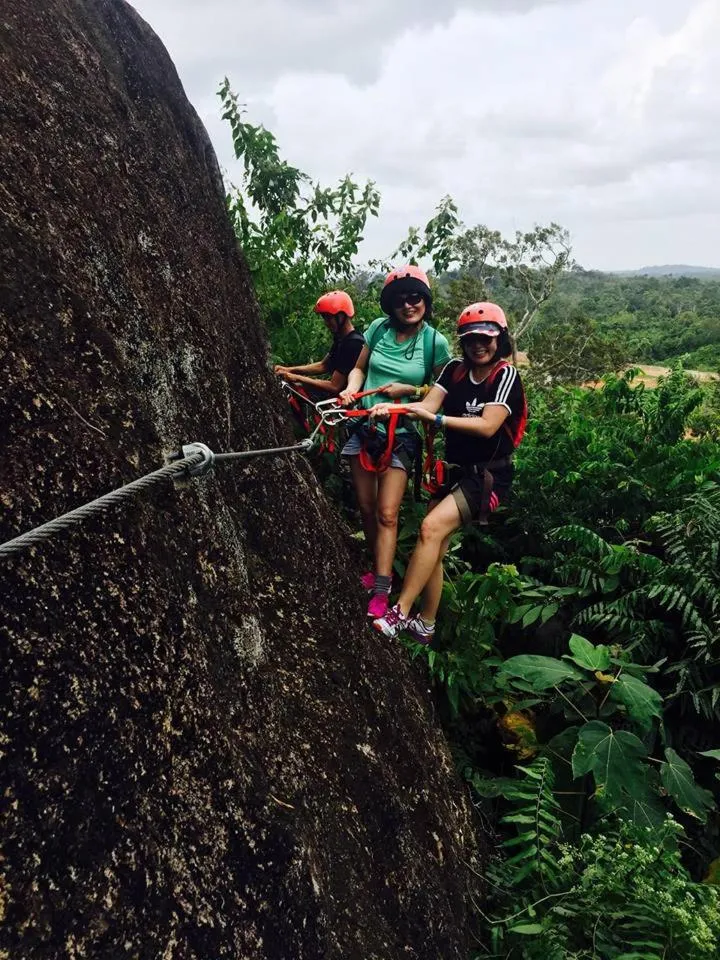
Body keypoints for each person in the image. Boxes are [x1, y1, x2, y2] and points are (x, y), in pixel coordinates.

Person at [369, 301, 527, 644]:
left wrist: (436, 420)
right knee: (435, 546)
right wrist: (394, 409)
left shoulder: (505, 375)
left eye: (486, 337)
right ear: (463, 343)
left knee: (429, 528)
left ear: (500, 338)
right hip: (454, 472)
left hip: (488, 477)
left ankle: (400, 612)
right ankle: (426, 624)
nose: (478, 345)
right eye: (471, 339)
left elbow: (488, 426)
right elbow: (427, 406)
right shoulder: (454, 371)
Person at [338, 266, 452, 619]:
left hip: (401, 436)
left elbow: (444, 391)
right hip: (364, 429)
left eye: (415, 297)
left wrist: (411, 392)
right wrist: (352, 389)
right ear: (391, 304)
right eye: (401, 299)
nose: (408, 304)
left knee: (388, 514)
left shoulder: (435, 342)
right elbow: (359, 367)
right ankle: (376, 567)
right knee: (368, 509)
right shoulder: (377, 329)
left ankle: (383, 588)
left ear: (425, 301)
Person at [275, 290, 364, 399]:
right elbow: (323, 365)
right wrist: (289, 370)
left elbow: (334, 386)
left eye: (329, 317)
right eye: (324, 318)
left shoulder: (353, 344)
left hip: (346, 400)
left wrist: (297, 377)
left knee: (295, 389)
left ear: (342, 316)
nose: (326, 322)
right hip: (336, 395)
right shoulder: (341, 339)